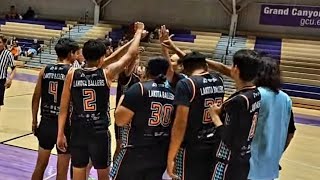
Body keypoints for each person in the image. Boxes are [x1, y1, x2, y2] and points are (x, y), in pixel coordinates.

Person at [57, 22, 145, 180]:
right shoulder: (107, 74)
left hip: (78, 131)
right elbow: (128, 56)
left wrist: (60, 133)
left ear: (84, 54)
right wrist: (138, 33)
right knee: (103, 174)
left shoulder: (72, 73)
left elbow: (63, 108)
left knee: (78, 172)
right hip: (99, 132)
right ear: (102, 58)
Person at [111, 57, 174, 180]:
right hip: (160, 153)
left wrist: (124, 96)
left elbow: (120, 120)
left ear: (147, 71)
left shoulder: (139, 88)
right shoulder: (173, 92)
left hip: (136, 151)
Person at [167, 51, 225, 180]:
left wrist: (171, 155)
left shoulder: (187, 84)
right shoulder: (219, 80)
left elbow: (180, 124)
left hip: (191, 147)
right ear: (206, 65)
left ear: (185, 69)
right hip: (213, 142)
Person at [208, 49, 261, 180]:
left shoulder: (239, 100)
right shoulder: (255, 93)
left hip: (227, 161)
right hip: (244, 157)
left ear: (236, 69)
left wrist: (215, 116)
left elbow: (229, 139)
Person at [31, 38, 79, 180]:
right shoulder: (73, 72)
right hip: (64, 126)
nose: (77, 56)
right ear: (71, 53)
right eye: (76, 53)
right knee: (61, 172)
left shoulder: (44, 70)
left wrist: (34, 121)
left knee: (40, 165)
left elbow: (35, 97)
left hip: (46, 122)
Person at [248, 58, 293, 180]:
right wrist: (277, 154)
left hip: (250, 167)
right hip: (271, 167)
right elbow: (290, 132)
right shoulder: (286, 98)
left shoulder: (254, 95)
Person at [0, 36, 16, 111]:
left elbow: (14, 68)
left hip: (1, 81)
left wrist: (10, 79)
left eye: (0, 42)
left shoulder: (8, 54)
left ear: (4, 43)